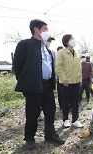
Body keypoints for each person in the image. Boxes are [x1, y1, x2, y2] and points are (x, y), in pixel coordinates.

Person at [13, 19, 64, 150]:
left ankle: (50, 134)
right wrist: (25, 81)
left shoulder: (47, 49)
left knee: (50, 110)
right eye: (45, 29)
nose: (47, 32)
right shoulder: (25, 44)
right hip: (33, 86)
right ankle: (29, 138)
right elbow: (17, 66)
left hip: (47, 85)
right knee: (32, 113)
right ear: (36, 29)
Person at [56, 34, 84, 128]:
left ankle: (75, 119)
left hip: (76, 81)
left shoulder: (76, 53)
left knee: (75, 102)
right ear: (67, 42)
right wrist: (63, 78)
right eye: (71, 39)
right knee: (65, 102)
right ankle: (65, 120)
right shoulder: (61, 52)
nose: (73, 40)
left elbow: (79, 67)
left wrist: (80, 79)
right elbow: (58, 67)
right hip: (65, 82)